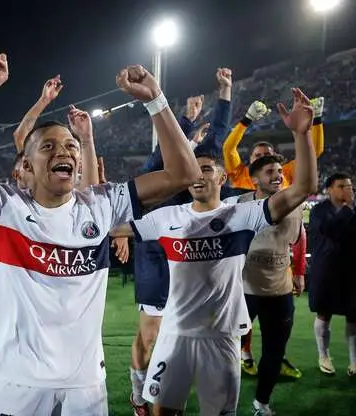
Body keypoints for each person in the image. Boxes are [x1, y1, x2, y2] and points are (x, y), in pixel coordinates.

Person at [0, 54, 201, 415]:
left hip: (84, 388)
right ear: (26, 167)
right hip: (15, 384)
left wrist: (155, 98)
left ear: (80, 161)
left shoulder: (102, 204)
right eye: (47, 146)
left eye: (70, 146)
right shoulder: (4, 206)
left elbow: (182, 173)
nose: (63, 150)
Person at [114, 88, 317, 415]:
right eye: (194, 169)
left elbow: (304, 188)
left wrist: (302, 134)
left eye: (206, 168)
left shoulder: (241, 215)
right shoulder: (167, 218)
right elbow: (105, 227)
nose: (198, 173)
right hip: (174, 335)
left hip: (221, 341)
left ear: (224, 177)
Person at [129, 68, 244, 416]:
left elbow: (221, 136)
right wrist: (184, 122)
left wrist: (224, 93)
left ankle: (170, 396)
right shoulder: (170, 160)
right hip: (156, 250)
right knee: (149, 335)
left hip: (193, 254)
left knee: (184, 334)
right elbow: (149, 169)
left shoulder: (204, 163)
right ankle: (139, 392)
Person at [224, 154, 304, 414]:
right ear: (254, 178)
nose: (278, 175)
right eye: (270, 171)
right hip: (245, 291)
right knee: (228, 348)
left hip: (280, 292)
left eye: (280, 170)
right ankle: (225, 403)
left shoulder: (292, 204)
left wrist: (299, 272)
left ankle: (262, 402)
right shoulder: (239, 204)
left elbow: (296, 240)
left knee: (274, 351)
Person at [308, 172, 356, 376]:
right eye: (342, 186)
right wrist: (347, 210)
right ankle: (324, 356)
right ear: (329, 189)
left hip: (351, 270)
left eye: (349, 185)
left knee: (354, 316)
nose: (347, 189)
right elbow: (330, 230)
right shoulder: (318, 210)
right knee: (324, 313)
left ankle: (354, 361)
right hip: (325, 270)